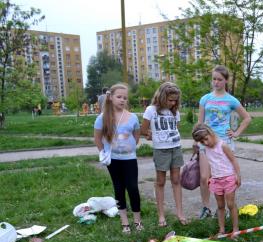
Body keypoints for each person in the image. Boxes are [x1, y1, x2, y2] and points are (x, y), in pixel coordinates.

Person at [197, 65, 251, 219]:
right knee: (204, 177)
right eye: (214, 79)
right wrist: (198, 141)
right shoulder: (205, 99)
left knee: (226, 177)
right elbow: (200, 123)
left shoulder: (231, 100)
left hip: (224, 143)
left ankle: (227, 208)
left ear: (226, 81)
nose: (216, 82)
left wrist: (236, 133)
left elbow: (247, 118)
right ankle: (206, 208)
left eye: (220, 79)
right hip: (205, 143)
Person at [93, 83, 142, 234]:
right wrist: (103, 152)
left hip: (129, 159)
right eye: (119, 97)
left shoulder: (132, 117)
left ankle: (137, 221)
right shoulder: (103, 118)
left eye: (125, 98)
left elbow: (136, 136)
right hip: (113, 160)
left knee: (133, 188)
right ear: (111, 97)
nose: (122, 100)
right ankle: (125, 222)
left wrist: (129, 147)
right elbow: (97, 138)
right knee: (119, 188)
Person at [141, 82, 186, 227]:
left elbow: (175, 129)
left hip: (176, 148)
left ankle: (180, 213)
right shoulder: (151, 110)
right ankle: (161, 215)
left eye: (175, 100)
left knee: (176, 180)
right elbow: (143, 130)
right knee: (160, 182)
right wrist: (151, 135)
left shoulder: (175, 112)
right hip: (161, 150)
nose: (173, 103)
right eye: (170, 100)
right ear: (161, 97)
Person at [191, 123, 241, 234]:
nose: (205, 143)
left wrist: (238, 175)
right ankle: (222, 229)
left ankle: (235, 229)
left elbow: (233, 160)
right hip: (216, 181)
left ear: (211, 133)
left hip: (229, 178)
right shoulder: (206, 149)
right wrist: (209, 178)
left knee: (231, 204)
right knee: (220, 205)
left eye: (206, 139)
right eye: (202, 142)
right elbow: (210, 164)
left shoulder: (222, 145)